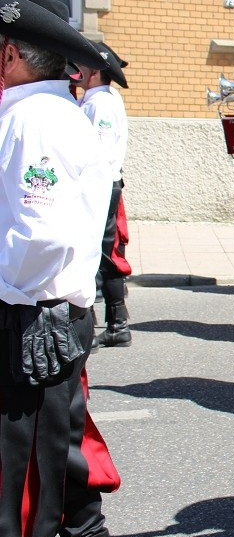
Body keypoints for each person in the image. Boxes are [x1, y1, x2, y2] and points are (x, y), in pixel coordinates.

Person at [0, 0, 125, 537]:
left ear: (9, 57)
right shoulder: (40, 113)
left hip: (29, 311)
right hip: (40, 309)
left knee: (16, 464)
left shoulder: (33, 119)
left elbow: (38, 239)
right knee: (63, 445)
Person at [75, 42, 133, 349]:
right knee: (104, 252)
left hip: (99, 186)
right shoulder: (101, 99)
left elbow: (95, 152)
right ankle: (115, 324)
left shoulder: (100, 104)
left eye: (82, 66)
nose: (77, 72)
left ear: (95, 72)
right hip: (105, 184)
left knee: (100, 253)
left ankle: (112, 325)